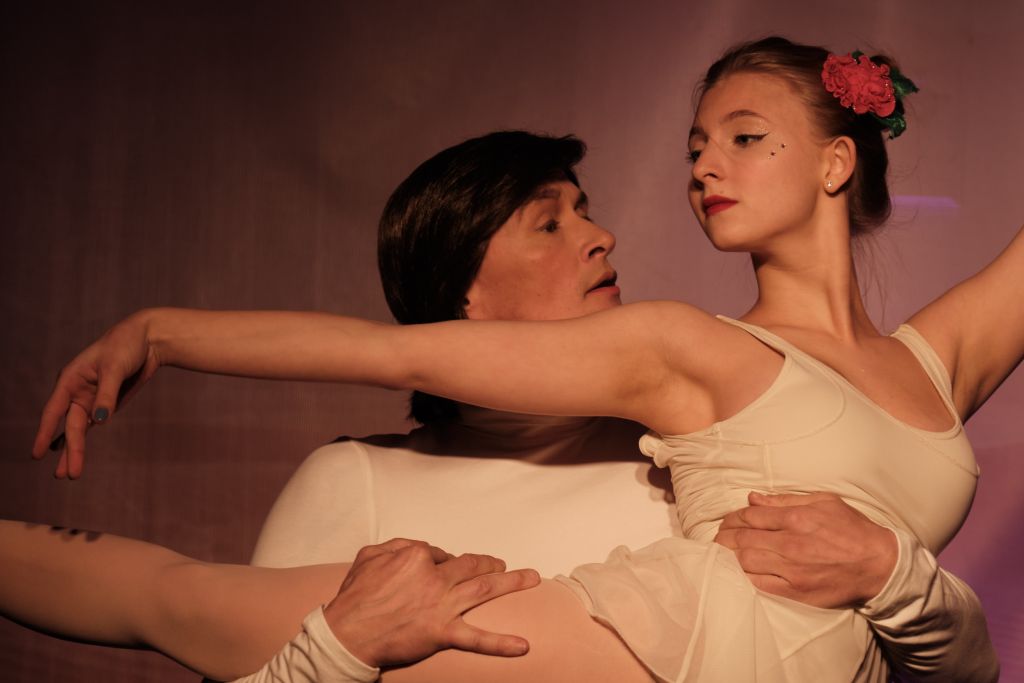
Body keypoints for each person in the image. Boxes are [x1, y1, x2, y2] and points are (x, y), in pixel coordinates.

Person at [24, 35, 1010, 680]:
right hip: (678, 644)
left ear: (836, 160)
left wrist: (897, 575)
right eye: (694, 147)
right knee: (176, 598)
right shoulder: (685, 349)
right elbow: (376, 351)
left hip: (789, 653)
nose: (704, 166)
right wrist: (163, 330)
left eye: (744, 137)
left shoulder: (932, 362)